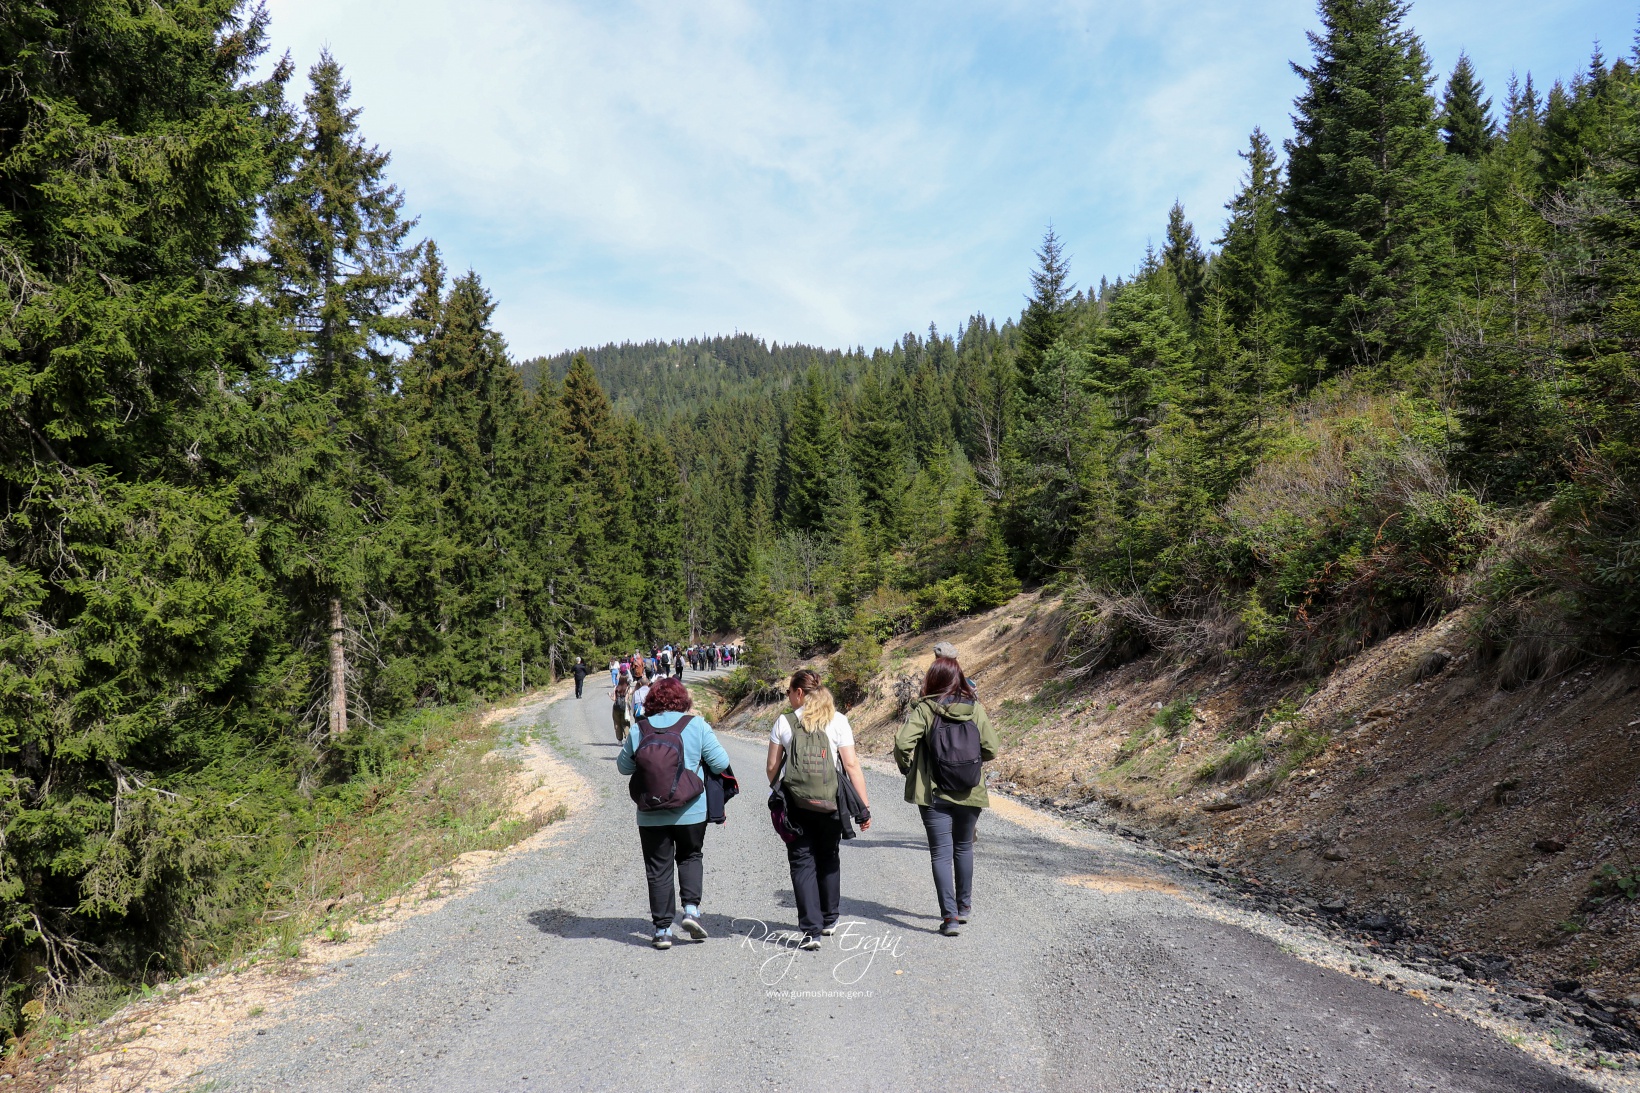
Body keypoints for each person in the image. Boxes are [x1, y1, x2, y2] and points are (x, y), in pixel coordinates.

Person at [616, 677, 730, 949]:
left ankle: (662, 930)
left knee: (658, 868)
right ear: (683, 700)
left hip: (650, 812)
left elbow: (623, 768)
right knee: (690, 855)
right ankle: (690, 911)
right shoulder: (696, 725)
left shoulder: (640, 729)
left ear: (651, 701)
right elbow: (721, 762)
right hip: (691, 809)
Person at [894, 653, 999, 937]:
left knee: (941, 854)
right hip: (970, 790)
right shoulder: (974, 707)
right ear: (958, 679)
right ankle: (964, 907)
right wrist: (967, 763)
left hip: (933, 793)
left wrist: (908, 769)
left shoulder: (925, 709)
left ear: (933, 679)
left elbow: (903, 743)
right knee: (963, 847)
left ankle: (950, 918)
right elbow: (992, 748)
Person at [766, 669, 870, 949]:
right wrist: (864, 806)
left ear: (799, 692)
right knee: (828, 856)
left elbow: (772, 769)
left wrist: (785, 788)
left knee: (801, 861)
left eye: (789, 691)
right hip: (831, 803)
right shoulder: (838, 721)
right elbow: (851, 766)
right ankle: (830, 919)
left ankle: (810, 931)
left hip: (795, 803)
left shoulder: (784, 722)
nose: (788, 697)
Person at [611, 670, 633, 743]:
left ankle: (619, 740)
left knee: (617, 723)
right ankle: (627, 736)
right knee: (625, 723)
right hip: (625, 707)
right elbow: (628, 698)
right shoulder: (628, 688)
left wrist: (609, 695)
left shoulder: (616, 688)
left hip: (616, 708)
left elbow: (614, 699)